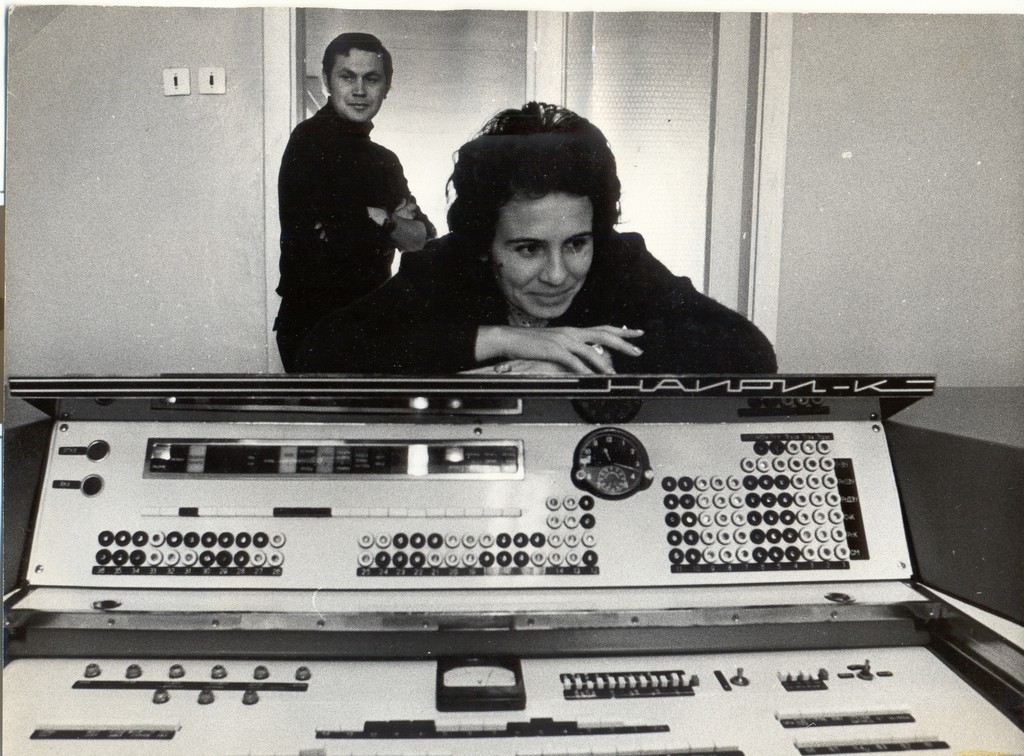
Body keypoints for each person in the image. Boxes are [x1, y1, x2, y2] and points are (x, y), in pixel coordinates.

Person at [294, 102, 776, 375]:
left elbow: (749, 352)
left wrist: (577, 363)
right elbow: (317, 355)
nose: (558, 275)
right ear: (483, 243)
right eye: (528, 248)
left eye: (576, 243)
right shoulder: (445, 265)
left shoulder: (619, 259)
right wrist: (507, 341)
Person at [275, 32, 434, 371]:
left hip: (371, 321)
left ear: (386, 87)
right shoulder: (308, 140)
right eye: (347, 77)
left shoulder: (384, 160)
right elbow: (339, 233)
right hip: (315, 323)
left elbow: (423, 238)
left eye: (371, 79)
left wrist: (380, 220)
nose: (359, 90)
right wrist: (387, 223)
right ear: (327, 82)